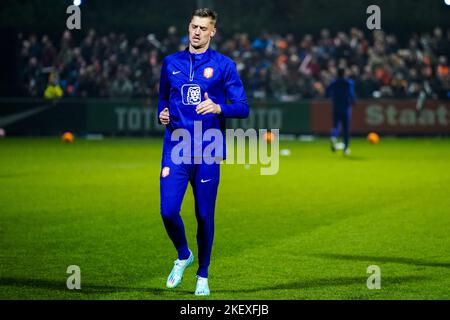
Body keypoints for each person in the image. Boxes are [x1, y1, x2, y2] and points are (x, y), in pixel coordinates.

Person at [157, 8, 249, 296]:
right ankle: (184, 255)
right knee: (168, 210)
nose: (196, 32)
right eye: (193, 26)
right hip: (176, 147)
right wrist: (160, 113)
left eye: (202, 28)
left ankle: (203, 275)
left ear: (213, 32)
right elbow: (162, 98)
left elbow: (243, 107)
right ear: (189, 27)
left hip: (208, 149)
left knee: (204, 215)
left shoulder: (224, 66)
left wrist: (220, 107)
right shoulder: (170, 62)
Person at [325, 67, 356, 155]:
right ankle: (346, 149)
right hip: (346, 108)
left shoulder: (334, 82)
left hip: (335, 107)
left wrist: (333, 96)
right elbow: (351, 94)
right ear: (344, 73)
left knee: (335, 126)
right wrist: (353, 101)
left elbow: (327, 92)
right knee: (346, 129)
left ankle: (334, 137)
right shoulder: (348, 83)